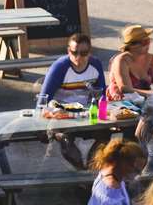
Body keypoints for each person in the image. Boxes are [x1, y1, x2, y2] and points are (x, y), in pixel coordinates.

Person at [39, 32, 107, 168]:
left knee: (105, 135)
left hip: (85, 113)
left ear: (90, 52)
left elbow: (102, 95)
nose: (78, 57)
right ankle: (81, 171)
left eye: (83, 53)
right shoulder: (60, 67)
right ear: (68, 51)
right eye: (74, 52)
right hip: (62, 115)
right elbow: (43, 100)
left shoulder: (96, 65)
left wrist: (105, 115)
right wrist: (41, 126)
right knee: (66, 140)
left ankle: (90, 168)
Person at [108, 24, 153, 100]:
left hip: (144, 101)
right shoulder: (122, 60)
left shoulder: (151, 58)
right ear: (131, 46)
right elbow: (125, 89)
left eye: (148, 40)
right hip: (119, 104)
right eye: (144, 42)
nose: (148, 44)